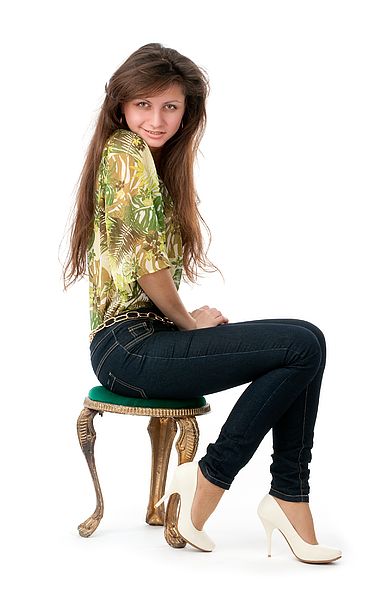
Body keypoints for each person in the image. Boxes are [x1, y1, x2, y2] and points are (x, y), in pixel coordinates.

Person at [63, 42, 341, 564]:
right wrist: (190, 322)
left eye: (170, 106)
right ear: (121, 105)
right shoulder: (125, 153)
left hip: (146, 342)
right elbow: (147, 267)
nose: (157, 118)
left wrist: (184, 325)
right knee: (301, 345)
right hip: (128, 348)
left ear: (186, 110)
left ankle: (288, 497)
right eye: (143, 104)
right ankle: (212, 481)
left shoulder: (149, 160)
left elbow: (144, 262)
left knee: (307, 342)